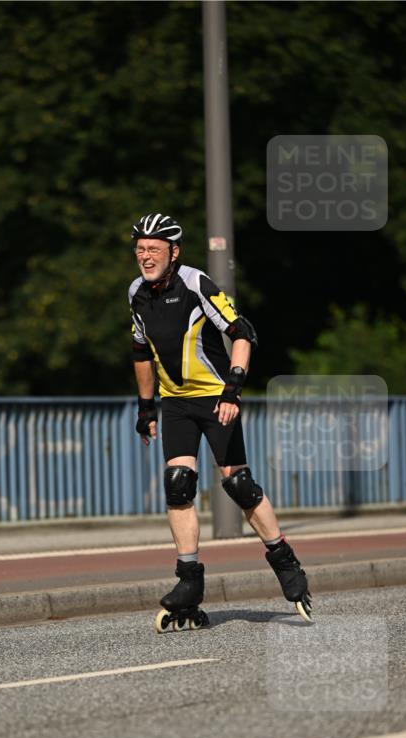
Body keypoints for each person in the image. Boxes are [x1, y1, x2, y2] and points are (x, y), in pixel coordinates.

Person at [128, 212, 312, 629]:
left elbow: (242, 332)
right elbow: (141, 353)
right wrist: (145, 408)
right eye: (140, 249)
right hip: (176, 403)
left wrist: (233, 389)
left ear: (174, 252)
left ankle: (284, 560)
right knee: (178, 484)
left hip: (215, 398)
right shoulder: (136, 293)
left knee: (238, 483)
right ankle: (189, 580)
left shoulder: (196, 284)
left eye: (154, 249)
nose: (146, 256)